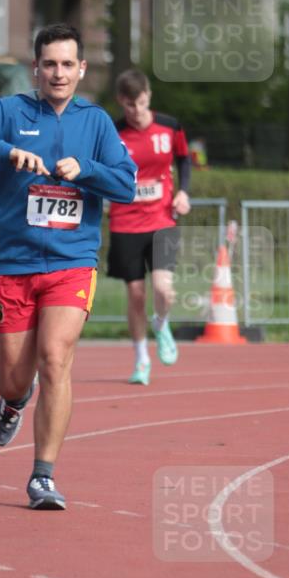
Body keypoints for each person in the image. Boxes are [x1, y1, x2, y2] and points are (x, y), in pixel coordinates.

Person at [0, 24, 137, 510]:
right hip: (12, 263)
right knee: (15, 376)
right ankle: (12, 401)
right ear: (36, 68)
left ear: (82, 69)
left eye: (68, 64)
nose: (59, 73)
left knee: (55, 358)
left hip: (72, 262)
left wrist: (85, 169)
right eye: (50, 64)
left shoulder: (97, 123)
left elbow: (126, 185)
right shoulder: (7, 112)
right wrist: (5, 151)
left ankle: (42, 475)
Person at [107, 69, 191, 385]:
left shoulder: (170, 126)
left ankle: (162, 322)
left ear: (149, 96)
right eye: (130, 106)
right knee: (136, 293)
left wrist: (184, 191)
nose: (137, 112)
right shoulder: (113, 133)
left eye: (141, 104)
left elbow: (184, 159)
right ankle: (141, 358)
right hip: (125, 223)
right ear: (121, 102)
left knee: (163, 289)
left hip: (161, 220)